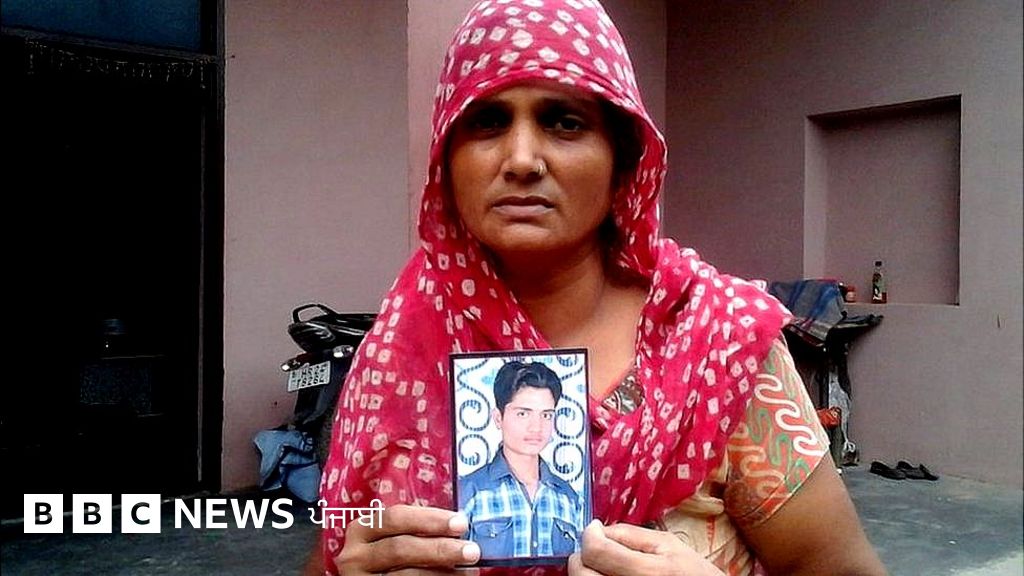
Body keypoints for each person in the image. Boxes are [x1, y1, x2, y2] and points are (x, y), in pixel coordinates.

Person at [308, 0, 888, 574]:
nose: (522, 160)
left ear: (622, 161)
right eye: (487, 121)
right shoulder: (405, 341)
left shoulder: (718, 342)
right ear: (447, 156)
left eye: (564, 122)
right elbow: (334, 556)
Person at [458, 361, 583, 561]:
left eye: (546, 415)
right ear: (498, 418)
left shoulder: (569, 497)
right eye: (523, 414)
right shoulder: (469, 491)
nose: (536, 427)